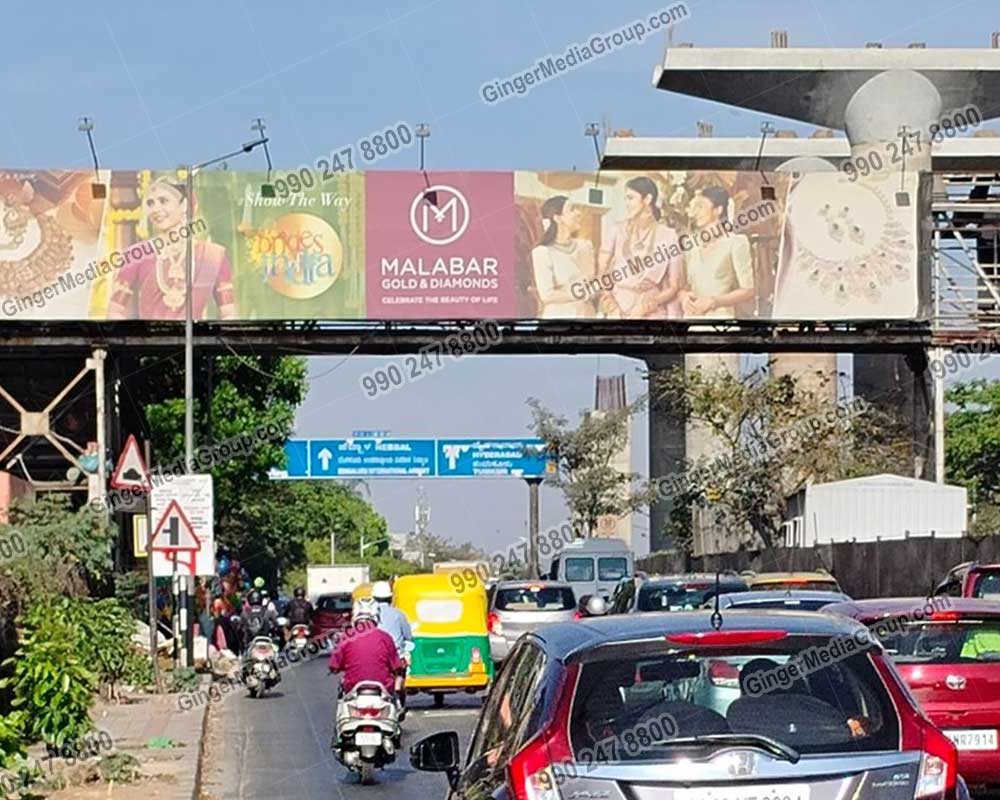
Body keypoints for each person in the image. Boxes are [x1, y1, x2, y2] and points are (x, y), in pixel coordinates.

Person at [107, 176, 237, 321]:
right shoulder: (137, 254)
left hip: (195, 340)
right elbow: (114, 311)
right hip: (148, 341)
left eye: (163, 201)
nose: (156, 209)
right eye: (151, 203)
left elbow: (229, 314)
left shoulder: (213, 256)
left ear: (184, 205)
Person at [598, 176, 683, 319]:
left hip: (651, 308)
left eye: (630, 198)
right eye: (625, 198)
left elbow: (674, 286)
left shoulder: (669, 236)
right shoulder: (616, 230)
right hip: (617, 306)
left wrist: (650, 304)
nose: (626, 203)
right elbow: (601, 272)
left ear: (647, 199)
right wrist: (610, 302)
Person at [329, 599, 405, 745]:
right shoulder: (385, 637)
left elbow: (334, 665)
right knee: (396, 702)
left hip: (353, 689)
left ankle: (339, 737)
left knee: (341, 700)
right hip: (383, 689)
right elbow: (396, 666)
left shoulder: (346, 637)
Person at [680, 185, 754, 319]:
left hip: (721, 321)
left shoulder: (736, 242)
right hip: (692, 319)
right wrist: (684, 297)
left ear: (718, 210)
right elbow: (685, 284)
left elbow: (748, 290)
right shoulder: (691, 243)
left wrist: (714, 302)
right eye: (695, 207)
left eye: (701, 206)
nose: (695, 212)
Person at [530, 195, 601, 318]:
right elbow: (547, 295)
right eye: (572, 209)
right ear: (557, 218)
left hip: (587, 316)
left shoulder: (585, 247)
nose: (578, 213)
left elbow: (593, 283)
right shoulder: (542, 252)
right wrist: (579, 293)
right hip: (559, 319)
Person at [371, 581, 413, 714]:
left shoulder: (369, 616)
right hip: (396, 656)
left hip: (375, 657)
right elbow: (408, 636)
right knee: (401, 670)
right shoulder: (398, 614)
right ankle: (398, 693)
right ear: (390, 598)